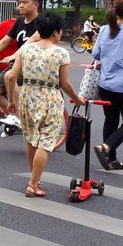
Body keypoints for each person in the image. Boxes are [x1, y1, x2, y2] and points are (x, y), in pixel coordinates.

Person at [5, 11, 83, 197]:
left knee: (31, 139)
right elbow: (65, 84)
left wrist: (11, 101)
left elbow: (10, 76)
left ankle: (35, 178)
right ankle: (33, 184)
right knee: (45, 143)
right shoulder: (61, 53)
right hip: (50, 98)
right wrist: (77, 98)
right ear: (56, 32)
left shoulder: (25, 49)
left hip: (27, 96)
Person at [0, 0, 44, 130]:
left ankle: (23, 118)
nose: (21, 5)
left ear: (36, 5)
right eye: (19, 2)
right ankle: (14, 117)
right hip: (19, 62)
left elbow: (32, 41)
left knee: (10, 76)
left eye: (25, 2)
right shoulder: (19, 21)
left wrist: (14, 56)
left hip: (34, 64)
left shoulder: (42, 22)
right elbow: (4, 42)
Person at [92, 0, 123, 170]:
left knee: (111, 120)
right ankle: (106, 147)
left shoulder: (105, 29)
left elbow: (96, 53)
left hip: (105, 84)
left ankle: (110, 159)